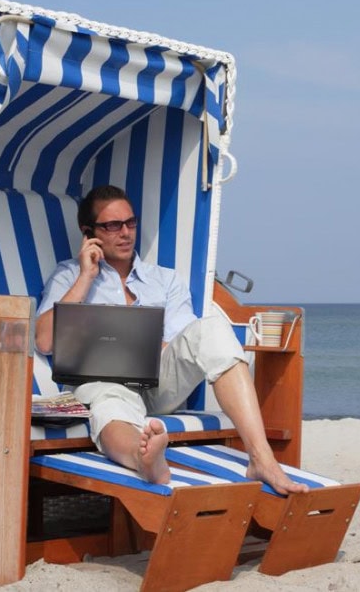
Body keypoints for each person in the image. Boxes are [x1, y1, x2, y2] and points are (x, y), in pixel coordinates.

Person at [35, 185, 308, 495]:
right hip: (102, 383)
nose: (125, 233)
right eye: (113, 226)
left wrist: (137, 346)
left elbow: (184, 341)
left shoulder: (165, 280)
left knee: (212, 329)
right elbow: (44, 341)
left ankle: (262, 458)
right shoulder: (69, 275)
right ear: (88, 232)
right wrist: (86, 276)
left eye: (131, 223)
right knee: (108, 402)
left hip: (159, 382)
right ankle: (144, 459)